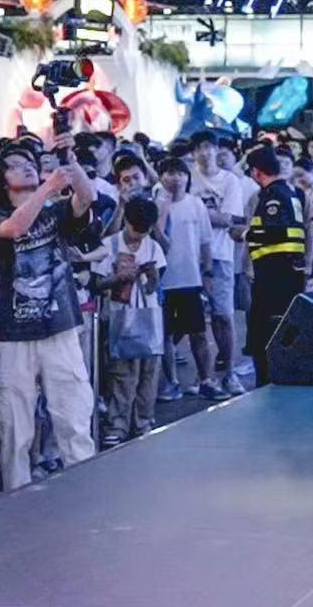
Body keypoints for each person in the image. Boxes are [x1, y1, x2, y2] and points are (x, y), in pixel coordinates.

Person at [0, 150, 104, 492]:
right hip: (14, 335)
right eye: (16, 166)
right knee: (14, 429)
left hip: (59, 328)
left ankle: (86, 491)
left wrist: (70, 159)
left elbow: (87, 197)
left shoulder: (57, 211)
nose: (27, 169)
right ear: (2, 181)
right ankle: (15, 499)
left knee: (74, 417)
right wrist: (48, 187)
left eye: (30, 164)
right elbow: (14, 228)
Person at [90, 199, 166, 444]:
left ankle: (144, 420)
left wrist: (152, 277)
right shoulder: (109, 245)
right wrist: (118, 278)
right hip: (119, 316)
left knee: (148, 372)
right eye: (135, 230)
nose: (138, 237)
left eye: (144, 232)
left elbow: (154, 288)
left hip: (149, 315)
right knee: (122, 372)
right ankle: (117, 423)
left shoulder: (153, 247)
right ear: (126, 221)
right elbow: (96, 284)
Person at [153, 153, 220, 401]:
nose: (177, 178)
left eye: (181, 173)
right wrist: (161, 212)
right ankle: (171, 382)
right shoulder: (155, 206)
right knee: (166, 336)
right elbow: (158, 241)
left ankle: (206, 380)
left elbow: (206, 241)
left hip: (191, 279)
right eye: (171, 173)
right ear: (161, 177)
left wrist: (208, 272)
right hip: (163, 281)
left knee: (198, 332)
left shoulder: (196, 204)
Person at [190, 138, 250, 397]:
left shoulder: (229, 181)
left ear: (217, 150)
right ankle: (204, 375)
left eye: (209, 147)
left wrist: (196, 212)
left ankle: (229, 372)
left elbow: (228, 219)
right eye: (199, 148)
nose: (205, 152)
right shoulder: (187, 177)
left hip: (221, 256)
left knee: (223, 316)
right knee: (194, 322)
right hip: (189, 257)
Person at [241, 147, 309, 366]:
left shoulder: (272, 196)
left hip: (274, 276)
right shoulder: (290, 193)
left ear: (256, 172)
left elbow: (274, 232)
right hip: (287, 272)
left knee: (266, 335)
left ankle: (268, 379)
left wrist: (246, 234)